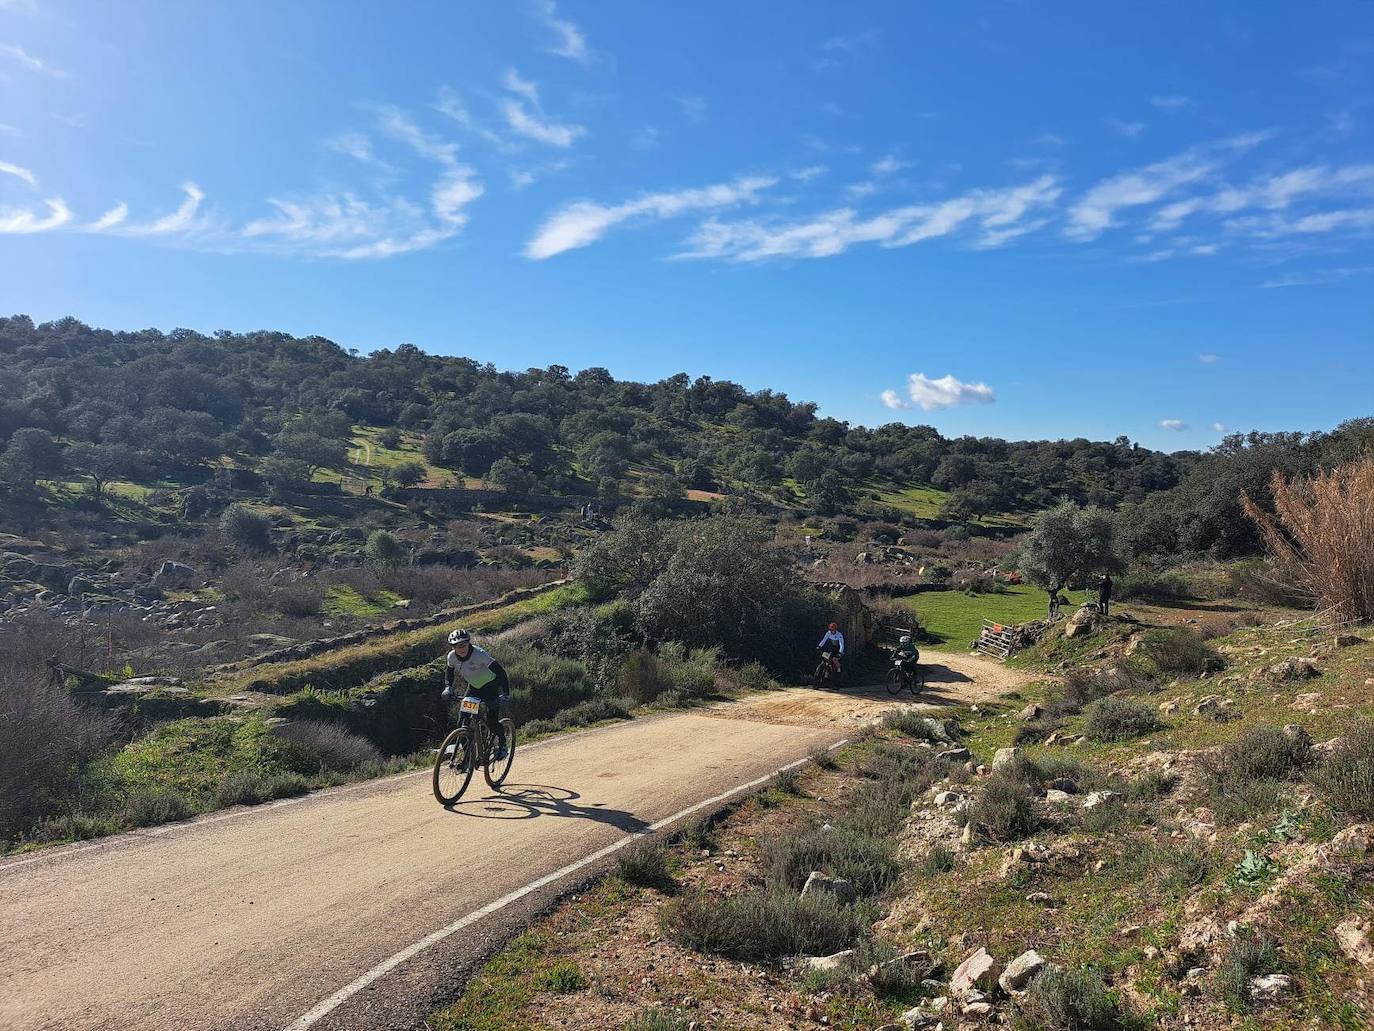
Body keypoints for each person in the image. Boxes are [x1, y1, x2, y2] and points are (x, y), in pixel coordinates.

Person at [441, 628, 511, 760]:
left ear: (469, 643)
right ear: (453, 647)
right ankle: (468, 757)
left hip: (491, 687)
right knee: (463, 722)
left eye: (463, 645)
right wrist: (448, 687)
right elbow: (449, 673)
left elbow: (501, 672)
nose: (461, 649)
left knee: (492, 722)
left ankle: (502, 744)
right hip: (474, 688)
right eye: (457, 646)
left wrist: (506, 693)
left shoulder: (479, 654)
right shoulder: (451, 657)